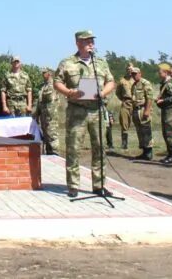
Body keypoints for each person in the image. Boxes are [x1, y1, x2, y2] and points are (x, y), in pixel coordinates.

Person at [54, 30, 116, 198]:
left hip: (97, 110)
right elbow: (57, 82)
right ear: (78, 43)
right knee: (73, 148)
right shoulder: (67, 63)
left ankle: (99, 185)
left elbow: (111, 81)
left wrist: (103, 93)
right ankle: (73, 185)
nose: (91, 44)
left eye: (92, 41)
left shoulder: (100, 62)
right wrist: (69, 92)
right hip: (77, 111)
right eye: (87, 41)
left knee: (100, 148)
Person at [33, 67, 60, 156]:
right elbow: (39, 102)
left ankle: (55, 155)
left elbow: (54, 101)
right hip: (43, 116)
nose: (43, 74)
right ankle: (49, 155)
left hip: (51, 116)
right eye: (42, 73)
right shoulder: (43, 86)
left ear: (49, 73)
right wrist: (36, 114)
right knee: (46, 136)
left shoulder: (54, 85)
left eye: (44, 72)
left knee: (52, 136)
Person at [156, 63, 172, 165]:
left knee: (170, 132)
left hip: (170, 110)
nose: (158, 74)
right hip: (165, 110)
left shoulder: (170, 84)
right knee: (165, 132)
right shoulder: (164, 83)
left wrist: (163, 100)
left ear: (165, 72)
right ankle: (170, 154)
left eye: (160, 72)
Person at [130, 67, 155, 160]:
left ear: (140, 73)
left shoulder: (145, 83)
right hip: (136, 109)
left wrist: (147, 110)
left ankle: (149, 152)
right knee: (139, 131)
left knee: (146, 130)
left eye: (135, 74)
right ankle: (144, 151)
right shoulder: (134, 85)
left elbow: (150, 98)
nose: (134, 75)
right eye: (132, 74)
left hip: (143, 109)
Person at [115, 65, 135, 151]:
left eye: (131, 69)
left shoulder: (136, 80)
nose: (130, 71)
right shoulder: (122, 81)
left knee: (140, 123)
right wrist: (123, 99)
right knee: (124, 123)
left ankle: (144, 145)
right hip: (126, 103)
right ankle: (124, 144)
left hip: (136, 104)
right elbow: (117, 93)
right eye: (128, 69)